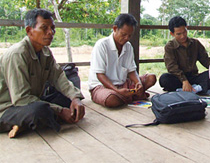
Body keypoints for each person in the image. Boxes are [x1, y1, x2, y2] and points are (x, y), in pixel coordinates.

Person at [0, 9, 85, 138]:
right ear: (29, 31)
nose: (50, 32)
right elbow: (21, 98)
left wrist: (75, 98)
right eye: (44, 28)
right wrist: (60, 111)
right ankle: (20, 122)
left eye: (52, 28)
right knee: (39, 110)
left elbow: (58, 77)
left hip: (33, 100)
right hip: (9, 107)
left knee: (68, 97)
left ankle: (24, 124)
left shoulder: (45, 52)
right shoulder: (17, 54)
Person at [88, 13, 156, 108]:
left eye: (129, 36)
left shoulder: (128, 47)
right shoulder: (102, 45)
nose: (126, 38)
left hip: (123, 85)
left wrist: (138, 83)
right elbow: (100, 75)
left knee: (151, 78)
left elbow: (131, 71)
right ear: (115, 29)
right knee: (111, 100)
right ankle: (131, 96)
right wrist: (116, 90)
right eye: (123, 34)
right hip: (102, 87)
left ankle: (128, 95)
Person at [159, 16, 210, 94]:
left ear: (186, 28)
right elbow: (172, 67)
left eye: (184, 32)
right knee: (164, 79)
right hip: (179, 79)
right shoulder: (170, 46)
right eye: (178, 34)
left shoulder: (195, 43)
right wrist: (184, 80)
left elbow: (206, 60)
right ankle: (199, 88)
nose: (182, 36)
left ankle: (191, 89)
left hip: (194, 77)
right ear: (172, 34)